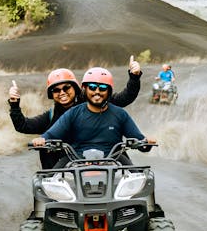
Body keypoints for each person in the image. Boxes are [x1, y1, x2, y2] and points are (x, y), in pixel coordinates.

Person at [9, 56, 142, 168]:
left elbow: (124, 98)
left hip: (105, 159)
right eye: (56, 90)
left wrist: (134, 77)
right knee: (43, 186)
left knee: (135, 179)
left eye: (66, 87)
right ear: (52, 94)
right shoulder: (50, 116)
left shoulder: (93, 100)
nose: (62, 93)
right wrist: (14, 104)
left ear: (76, 88)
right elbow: (23, 125)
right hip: (64, 170)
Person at [32, 67, 155, 167]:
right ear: (84, 89)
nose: (97, 91)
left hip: (115, 160)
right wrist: (41, 140)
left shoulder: (120, 114)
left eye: (102, 88)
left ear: (109, 91)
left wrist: (146, 143)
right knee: (48, 183)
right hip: (75, 161)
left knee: (141, 182)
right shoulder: (73, 113)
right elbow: (51, 134)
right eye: (92, 87)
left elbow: (141, 142)